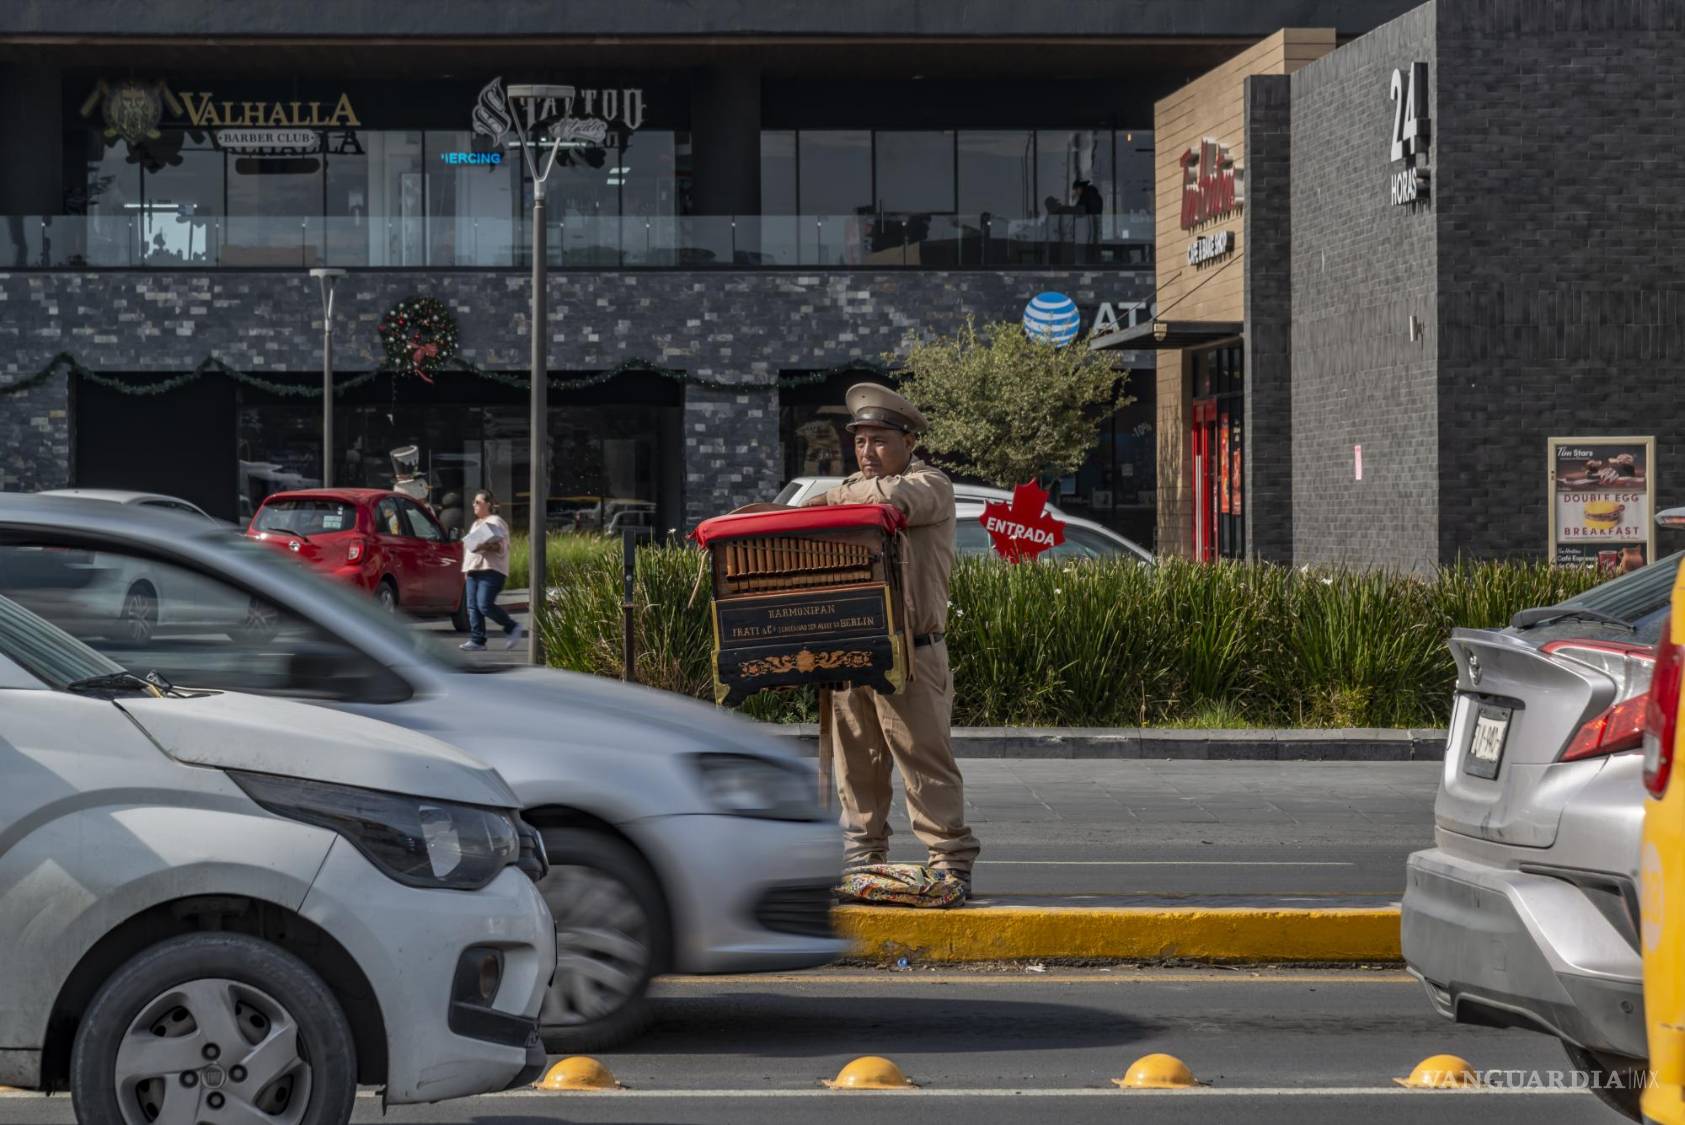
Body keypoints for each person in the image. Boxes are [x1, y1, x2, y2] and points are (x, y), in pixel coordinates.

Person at [804, 384, 982, 897]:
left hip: (914, 650)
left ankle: (951, 863)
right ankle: (863, 858)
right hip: (850, 648)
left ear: (908, 443)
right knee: (856, 763)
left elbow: (891, 500)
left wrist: (833, 497)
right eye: (860, 442)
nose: (867, 453)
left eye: (879, 441)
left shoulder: (932, 484)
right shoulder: (855, 487)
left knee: (923, 762)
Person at [460, 489, 527, 652]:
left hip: (491, 570)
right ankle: (477, 640)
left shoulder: (495, 521)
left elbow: (501, 547)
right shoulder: (476, 524)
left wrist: (484, 545)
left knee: (484, 605)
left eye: (478, 502)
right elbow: (469, 548)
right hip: (473, 570)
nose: (474, 505)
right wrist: (466, 569)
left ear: (488, 504)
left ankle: (512, 627)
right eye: (474, 502)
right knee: (472, 607)